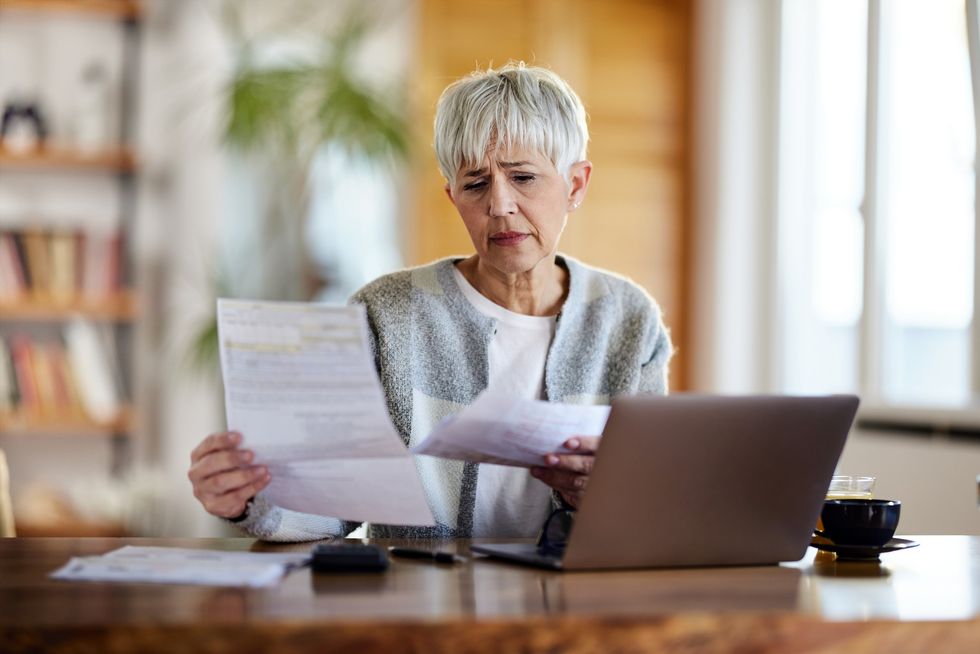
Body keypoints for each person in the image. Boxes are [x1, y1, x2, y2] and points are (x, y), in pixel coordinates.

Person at [188, 62, 672, 541]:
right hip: (421, 599)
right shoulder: (386, 313)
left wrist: (600, 497)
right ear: (452, 196)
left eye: (523, 177)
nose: (499, 205)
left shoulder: (628, 320)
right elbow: (333, 505)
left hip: (573, 602)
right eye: (476, 184)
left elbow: (651, 509)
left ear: (576, 185)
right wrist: (250, 501)